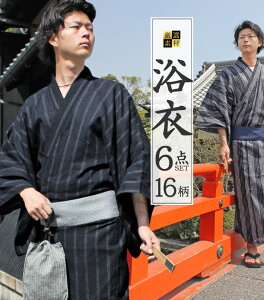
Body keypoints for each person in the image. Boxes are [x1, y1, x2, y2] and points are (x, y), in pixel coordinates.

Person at [0, 0, 160, 299]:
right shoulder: (35, 105)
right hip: (50, 236)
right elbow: (11, 159)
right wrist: (25, 190)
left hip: (101, 234)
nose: (87, 33)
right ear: (53, 37)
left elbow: (135, 160)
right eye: (76, 26)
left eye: (90, 28)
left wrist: (142, 225)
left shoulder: (111, 94)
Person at [196, 20, 264, 273]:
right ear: (238, 43)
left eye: (251, 36)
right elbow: (220, 111)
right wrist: (224, 144)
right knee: (249, 195)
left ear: (259, 42)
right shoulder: (227, 75)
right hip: (241, 144)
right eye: (242, 36)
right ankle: (251, 247)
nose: (246, 40)